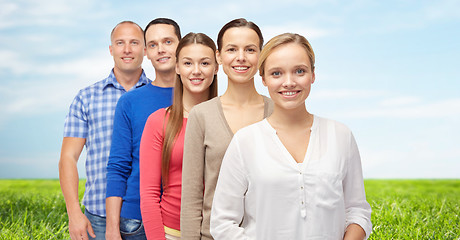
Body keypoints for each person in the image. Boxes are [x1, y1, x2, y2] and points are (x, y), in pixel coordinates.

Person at [210, 33, 373, 240]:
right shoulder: (245, 142)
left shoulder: (340, 136)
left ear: (313, 75)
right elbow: (222, 223)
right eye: (276, 73)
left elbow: (358, 210)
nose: (289, 82)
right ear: (264, 79)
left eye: (299, 71)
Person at [180, 18, 274, 239]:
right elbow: (192, 196)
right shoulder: (201, 115)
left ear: (261, 55)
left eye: (250, 49)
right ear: (219, 56)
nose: (241, 57)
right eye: (232, 49)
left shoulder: (277, 112)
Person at [59, 21, 149, 240]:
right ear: (111, 49)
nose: (127, 49)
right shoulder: (87, 97)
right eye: (120, 43)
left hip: (146, 218)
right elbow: (68, 158)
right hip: (96, 219)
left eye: (134, 43)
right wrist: (74, 214)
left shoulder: (160, 98)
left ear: (145, 50)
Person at [105, 18, 181, 239]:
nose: (161, 50)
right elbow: (118, 166)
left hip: (184, 219)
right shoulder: (130, 102)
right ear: (146, 51)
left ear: (181, 45)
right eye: (154, 45)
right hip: (135, 221)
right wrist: (112, 229)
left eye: (168, 41)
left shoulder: (200, 97)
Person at [140, 32, 219, 240]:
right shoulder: (158, 121)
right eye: (187, 63)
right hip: (171, 233)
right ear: (177, 67)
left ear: (217, 67)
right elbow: (148, 195)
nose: (196, 71)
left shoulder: (227, 120)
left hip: (221, 232)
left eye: (204, 63)